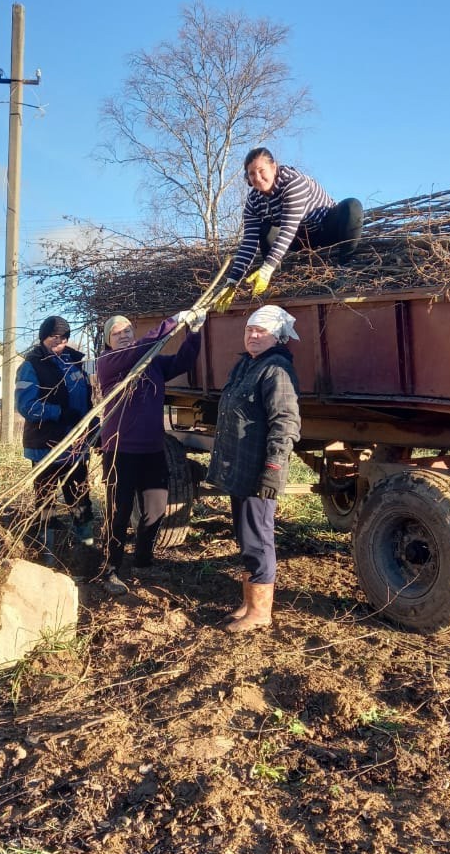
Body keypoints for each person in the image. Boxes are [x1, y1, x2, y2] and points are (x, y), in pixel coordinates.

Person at [94, 308, 206, 595]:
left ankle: (143, 561)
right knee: (119, 513)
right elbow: (144, 346)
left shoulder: (152, 362)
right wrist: (174, 321)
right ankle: (111, 569)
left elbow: (184, 361)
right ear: (108, 340)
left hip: (153, 449)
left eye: (128, 330)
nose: (124, 335)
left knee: (156, 509)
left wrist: (194, 332)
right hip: (120, 451)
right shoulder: (110, 362)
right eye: (116, 333)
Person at [206, 304, 302, 632]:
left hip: (259, 472)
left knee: (259, 539)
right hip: (241, 471)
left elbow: (285, 423)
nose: (254, 335)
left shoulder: (275, 370)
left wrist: (273, 469)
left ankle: (261, 612)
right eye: (250, 330)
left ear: (277, 336)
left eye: (261, 330)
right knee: (247, 537)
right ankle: (249, 602)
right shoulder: (246, 365)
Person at [222, 147, 363, 300]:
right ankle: (275, 280)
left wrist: (267, 266)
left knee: (352, 205)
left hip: (325, 229)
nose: (257, 177)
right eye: (252, 174)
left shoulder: (293, 182)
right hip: (298, 241)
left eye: (261, 170)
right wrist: (232, 281)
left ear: (274, 167)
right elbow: (248, 242)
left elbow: (288, 227)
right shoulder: (253, 201)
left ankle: (345, 267)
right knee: (264, 228)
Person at [16, 315, 95, 565]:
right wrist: (59, 412)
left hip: (76, 446)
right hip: (46, 447)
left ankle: (86, 550)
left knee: (80, 499)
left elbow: (87, 399)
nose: (59, 343)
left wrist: (91, 422)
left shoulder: (76, 362)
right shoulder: (31, 365)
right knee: (46, 501)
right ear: (44, 338)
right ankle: (47, 553)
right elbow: (26, 406)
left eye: (64, 338)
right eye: (54, 337)